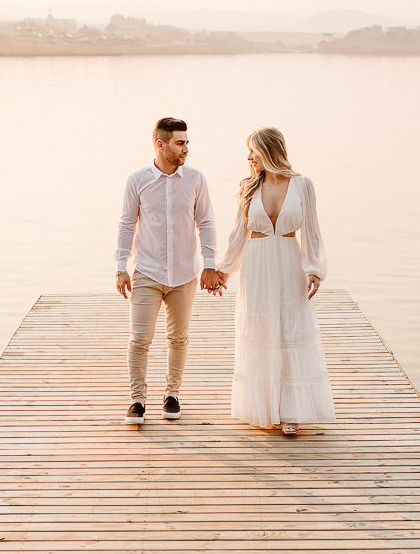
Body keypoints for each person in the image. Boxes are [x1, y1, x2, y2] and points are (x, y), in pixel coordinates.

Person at [216, 127, 335, 434]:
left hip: (288, 262)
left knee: (290, 334)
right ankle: (265, 408)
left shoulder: (302, 185)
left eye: (252, 151)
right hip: (256, 267)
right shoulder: (247, 187)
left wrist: (314, 269)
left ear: (268, 151)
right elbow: (237, 235)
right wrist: (223, 270)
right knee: (261, 333)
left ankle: (291, 413)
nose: (248, 157)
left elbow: (311, 230)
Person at [116, 118, 224, 424]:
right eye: (180, 143)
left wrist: (210, 265)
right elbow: (126, 224)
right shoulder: (137, 180)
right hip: (147, 271)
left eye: (187, 142)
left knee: (178, 338)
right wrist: (120, 267)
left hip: (185, 273)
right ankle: (137, 400)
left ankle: (172, 395)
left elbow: (206, 222)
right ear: (160, 145)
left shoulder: (195, 179)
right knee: (140, 339)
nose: (186, 149)